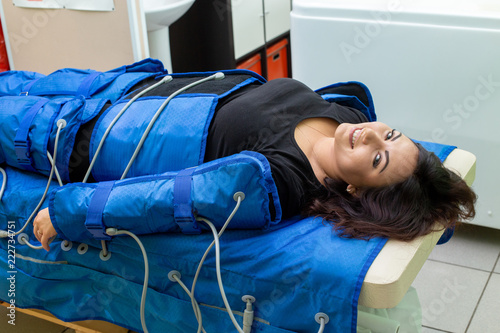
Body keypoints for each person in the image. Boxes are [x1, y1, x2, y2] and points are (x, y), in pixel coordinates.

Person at [32, 76, 477, 251]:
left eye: (378, 158)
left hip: (85, 139)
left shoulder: (279, 182)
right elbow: (427, 204)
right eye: (392, 134)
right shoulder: (353, 119)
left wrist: (69, 213)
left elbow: (164, 200)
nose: (373, 135)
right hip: (130, 88)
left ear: (358, 190)